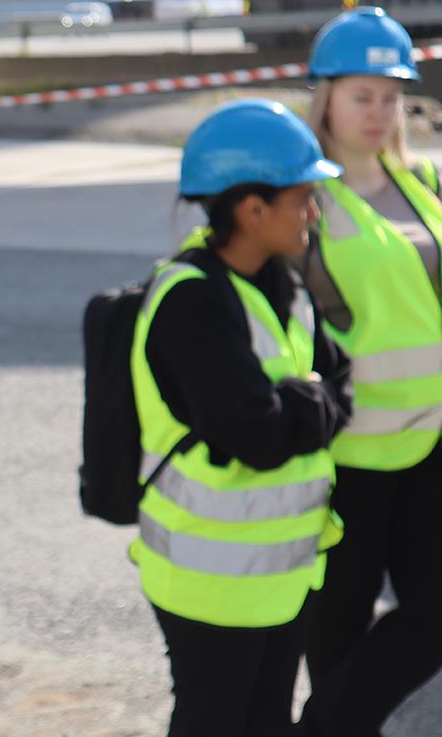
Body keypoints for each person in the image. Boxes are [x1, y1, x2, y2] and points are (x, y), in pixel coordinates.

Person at [130, 99, 350, 737]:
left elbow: (341, 387)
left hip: (279, 575)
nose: (314, 213)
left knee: (266, 723)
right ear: (253, 210)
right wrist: (311, 403)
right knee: (214, 722)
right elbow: (255, 435)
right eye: (303, 199)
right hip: (208, 584)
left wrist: (299, 402)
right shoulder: (191, 302)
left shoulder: (286, 286)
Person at [299, 6, 442, 737]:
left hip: (430, 443)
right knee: (336, 635)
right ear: (326, 99)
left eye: (391, 97)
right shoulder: (304, 198)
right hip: (348, 454)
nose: (379, 113)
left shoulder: (424, 183)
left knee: (432, 617)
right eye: (362, 96)